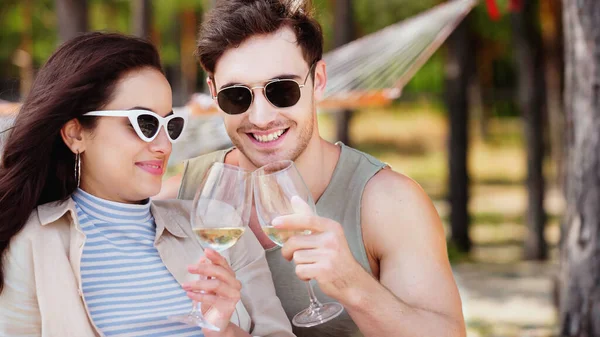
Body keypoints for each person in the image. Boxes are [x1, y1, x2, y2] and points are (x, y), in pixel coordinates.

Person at [158, 0, 467, 336]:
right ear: (214, 93)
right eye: (237, 96)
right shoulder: (177, 198)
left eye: (282, 90)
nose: (261, 117)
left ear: (318, 80)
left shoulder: (389, 203)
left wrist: (351, 284)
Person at [0, 32, 293, 337]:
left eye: (171, 125)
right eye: (144, 123)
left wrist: (224, 331)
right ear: (75, 134)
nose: (164, 146)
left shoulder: (222, 228)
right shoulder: (32, 243)